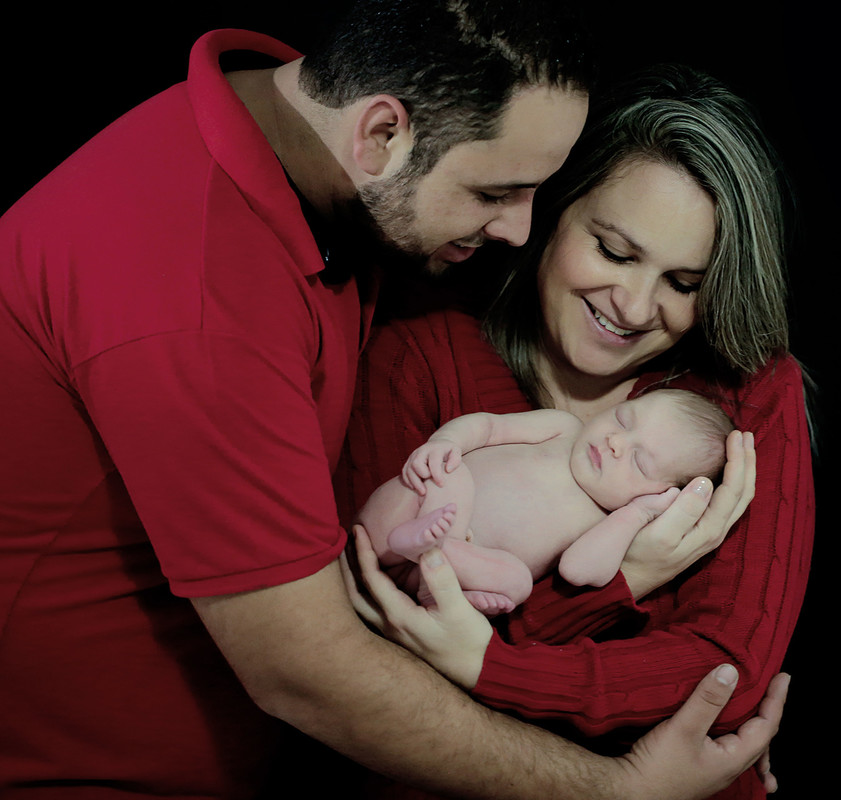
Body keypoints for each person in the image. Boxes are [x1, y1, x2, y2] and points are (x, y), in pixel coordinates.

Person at [0, 2, 788, 797]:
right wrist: (616, 789)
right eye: (497, 191)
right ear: (379, 134)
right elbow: (312, 666)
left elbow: (727, 663)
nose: (519, 230)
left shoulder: (331, 189)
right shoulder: (198, 298)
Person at [336, 63, 814, 799]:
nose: (634, 306)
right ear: (552, 209)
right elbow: (368, 661)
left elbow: (727, 678)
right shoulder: (421, 357)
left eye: (684, 284)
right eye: (614, 252)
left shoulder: (742, 400)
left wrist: (493, 667)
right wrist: (629, 583)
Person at [357, 388, 734, 614]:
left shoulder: (608, 521)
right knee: (453, 474)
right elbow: (489, 426)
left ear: (662, 496)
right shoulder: (563, 428)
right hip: (403, 515)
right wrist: (446, 442)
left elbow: (578, 570)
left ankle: (436, 572)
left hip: (440, 573)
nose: (616, 442)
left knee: (518, 584)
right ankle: (422, 543)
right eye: (623, 420)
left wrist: (638, 514)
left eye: (639, 462)